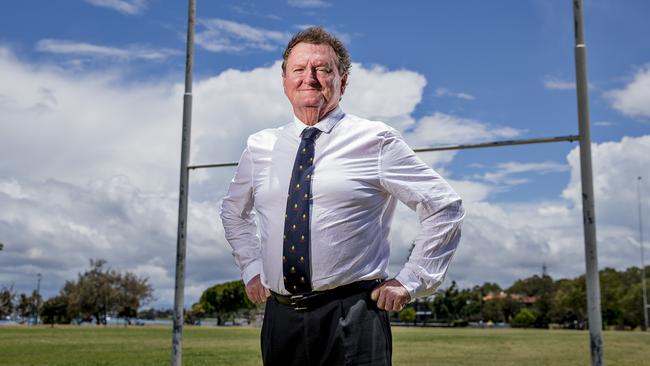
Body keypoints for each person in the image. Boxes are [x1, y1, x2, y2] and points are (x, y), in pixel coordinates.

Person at [220, 26, 464, 366]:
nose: (310, 78)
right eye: (299, 69)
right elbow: (233, 211)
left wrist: (411, 280)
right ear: (284, 80)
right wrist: (250, 265)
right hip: (281, 319)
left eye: (322, 69)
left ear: (342, 81)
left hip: (353, 318)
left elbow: (444, 206)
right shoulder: (260, 146)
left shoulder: (375, 140)